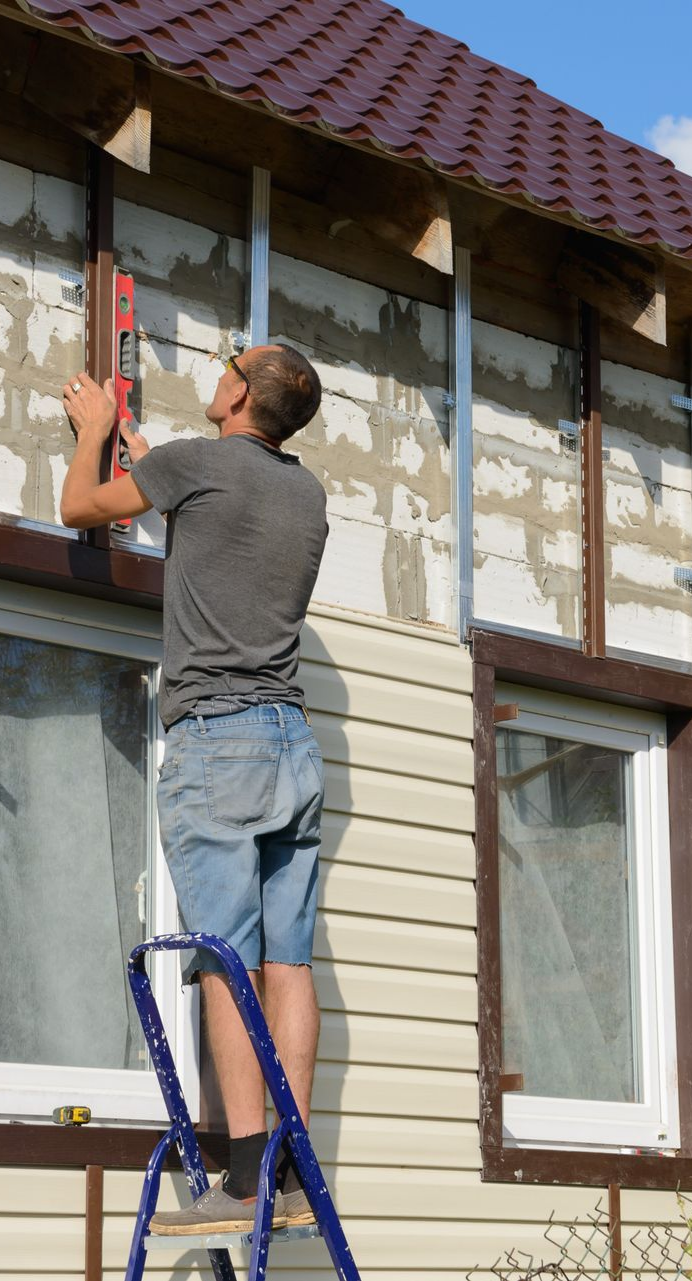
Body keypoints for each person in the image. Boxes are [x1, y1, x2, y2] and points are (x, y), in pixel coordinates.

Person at [60, 346, 329, 1234]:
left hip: (219, 742)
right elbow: (205, 502)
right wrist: (151, 455)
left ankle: (245, 1178)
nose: (219, 369)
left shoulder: (192, 466)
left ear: (242, 392)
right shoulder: (305, 493)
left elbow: (79, 506)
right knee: (287, 961)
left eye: (229, 363)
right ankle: (286, 1167)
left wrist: (97, 435)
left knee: (225, 958)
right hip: (294, 746)